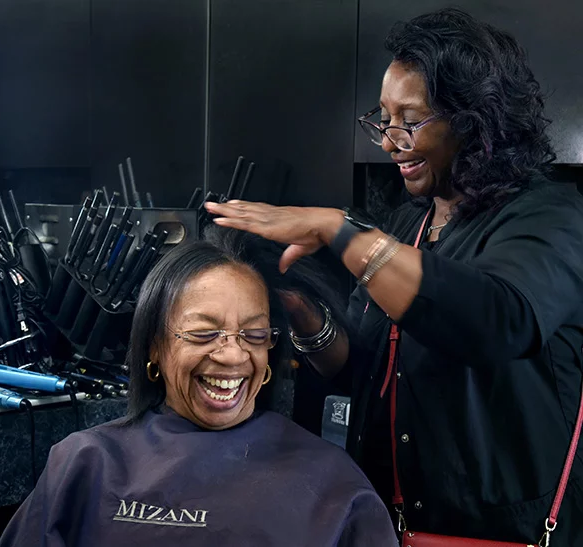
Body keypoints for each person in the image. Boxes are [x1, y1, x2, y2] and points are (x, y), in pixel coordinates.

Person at [205, 8, 583, 546]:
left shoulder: (552, 215)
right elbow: (365, 373)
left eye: (411, 120)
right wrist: (300, 310)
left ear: (477, 120)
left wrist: (341, 230)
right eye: (383, 118)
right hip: (391, 528)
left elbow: (500, 318)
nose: (389, 140)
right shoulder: (412, 221)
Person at [0, 231, 398, 546]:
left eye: (254, 334)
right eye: (204, 333)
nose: (232, 355)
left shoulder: (333, 484)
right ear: (154, 346)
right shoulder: (84, 465)